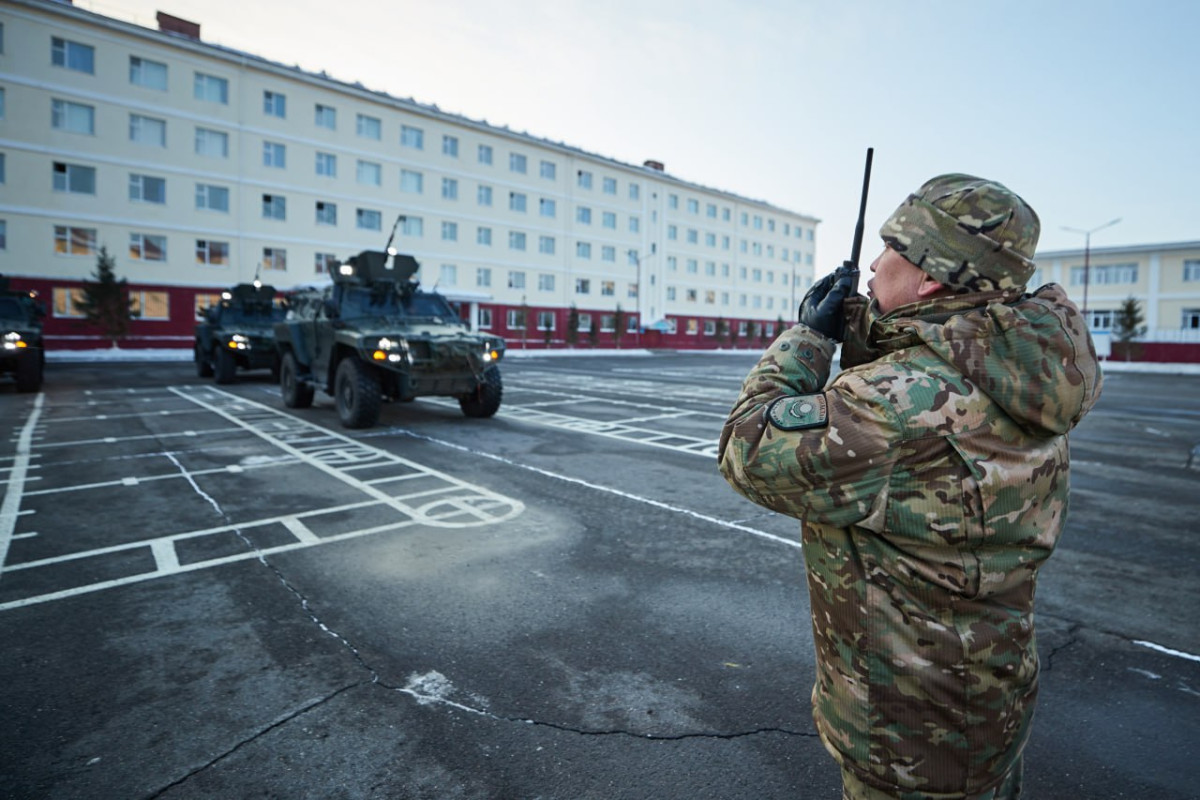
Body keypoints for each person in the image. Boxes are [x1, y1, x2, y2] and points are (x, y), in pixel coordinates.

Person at [718, 174, 1103, 800]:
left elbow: (747, 449)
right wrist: (871, 326)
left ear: (930, 277)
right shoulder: (1025, 371)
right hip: (986, 702)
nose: (872, 263)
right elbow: (946, 353)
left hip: (908, 736)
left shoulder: (896, 404)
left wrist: (808, 340)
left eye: (889, 248)